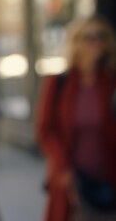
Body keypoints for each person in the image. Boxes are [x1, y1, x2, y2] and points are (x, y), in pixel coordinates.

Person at [36, 15, 116, 220]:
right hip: (72, 184)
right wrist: (62, 166)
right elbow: (44, 130)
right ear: (76, 42)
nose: (96, 43)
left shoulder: (110, 83)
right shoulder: (59, 83)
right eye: (89, 37)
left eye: (101, 37)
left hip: (108, 179)